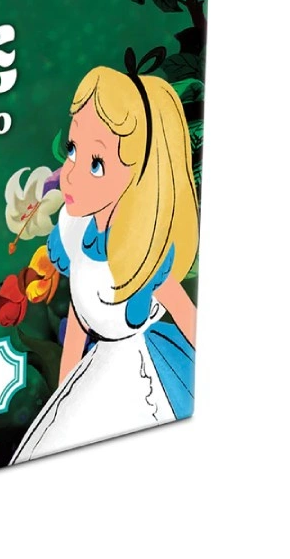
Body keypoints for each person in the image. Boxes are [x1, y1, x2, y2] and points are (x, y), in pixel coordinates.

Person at [11, 48, 199, 463]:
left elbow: (188, 318)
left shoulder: (142, 252)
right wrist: (61, 396)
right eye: (73, 149)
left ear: (139, 175)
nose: (71, 172)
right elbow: (79, 320)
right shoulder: (76, 232)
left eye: (97, 164)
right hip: (94, 371)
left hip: (141, 376)